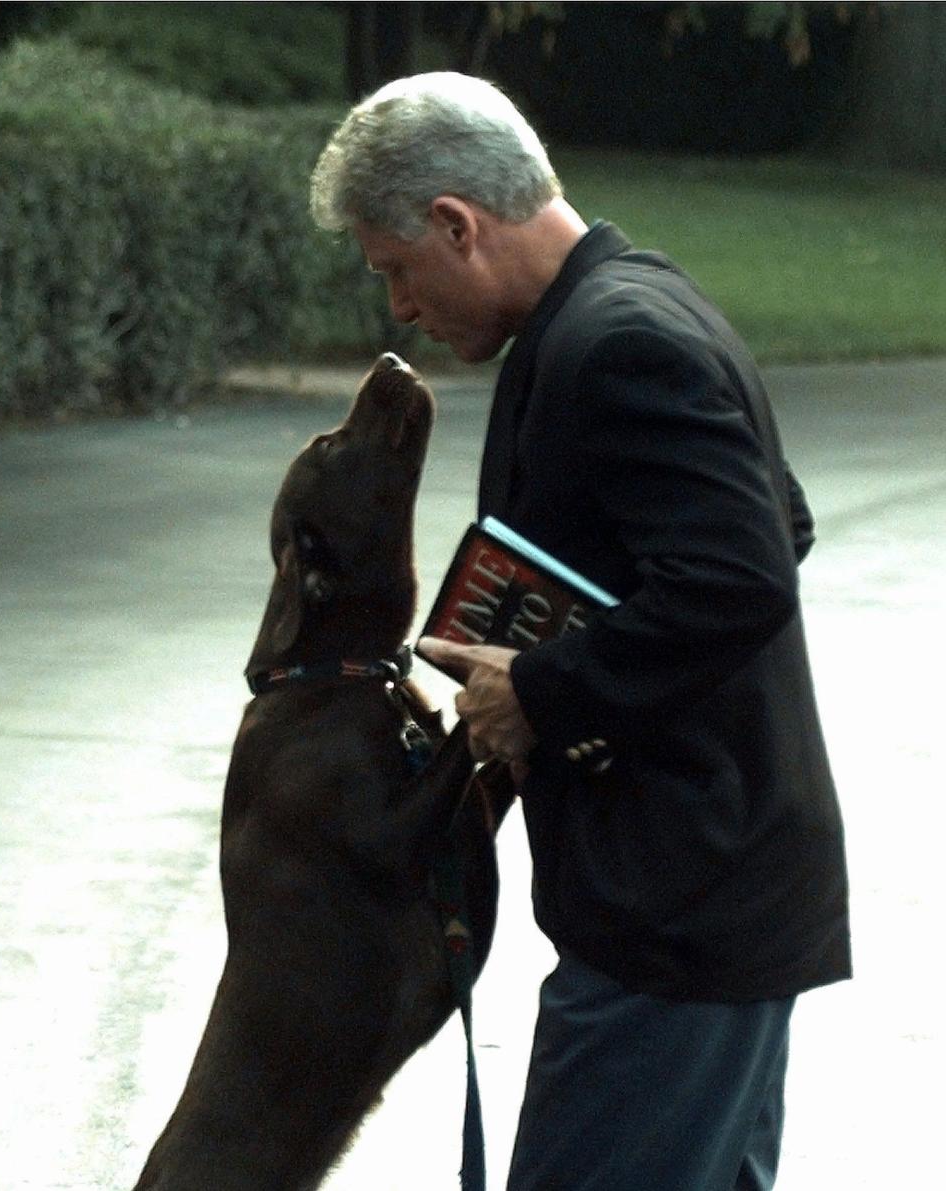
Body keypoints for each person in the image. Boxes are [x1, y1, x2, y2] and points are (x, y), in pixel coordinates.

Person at [310, 72, 850, 1191]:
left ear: (457, 224)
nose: (400, 308)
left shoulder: (616, 340)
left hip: (683, 915)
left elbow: (741, 576)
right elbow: (774, 521)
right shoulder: (627, 305)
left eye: (397, 270)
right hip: (709, 898)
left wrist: (547, 689)